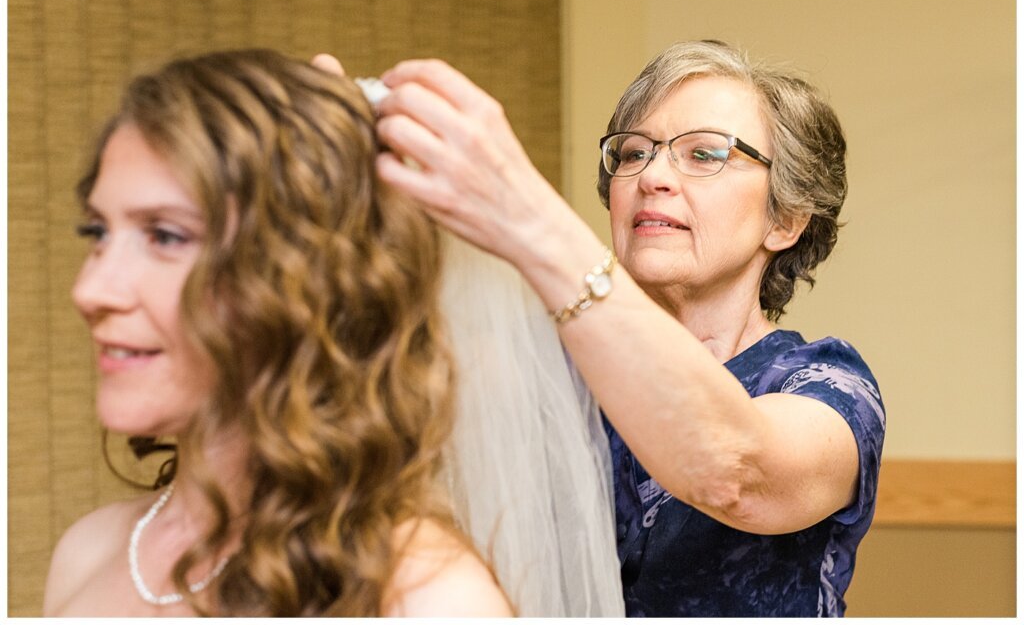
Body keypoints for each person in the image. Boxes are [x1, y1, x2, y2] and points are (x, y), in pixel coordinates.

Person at [365, 39, 886, 617]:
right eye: (634, 152)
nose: (652, 175)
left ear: (785, 220)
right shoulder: (538, 368)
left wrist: (530, 219)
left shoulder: (828, 387)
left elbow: (739, 472)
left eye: (705, 154)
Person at [41, 49, 514, 617]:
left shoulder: (423, 596)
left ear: (302, 280)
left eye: (165, 236)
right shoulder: (86, 552)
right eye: (98, 231)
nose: (90, 290)